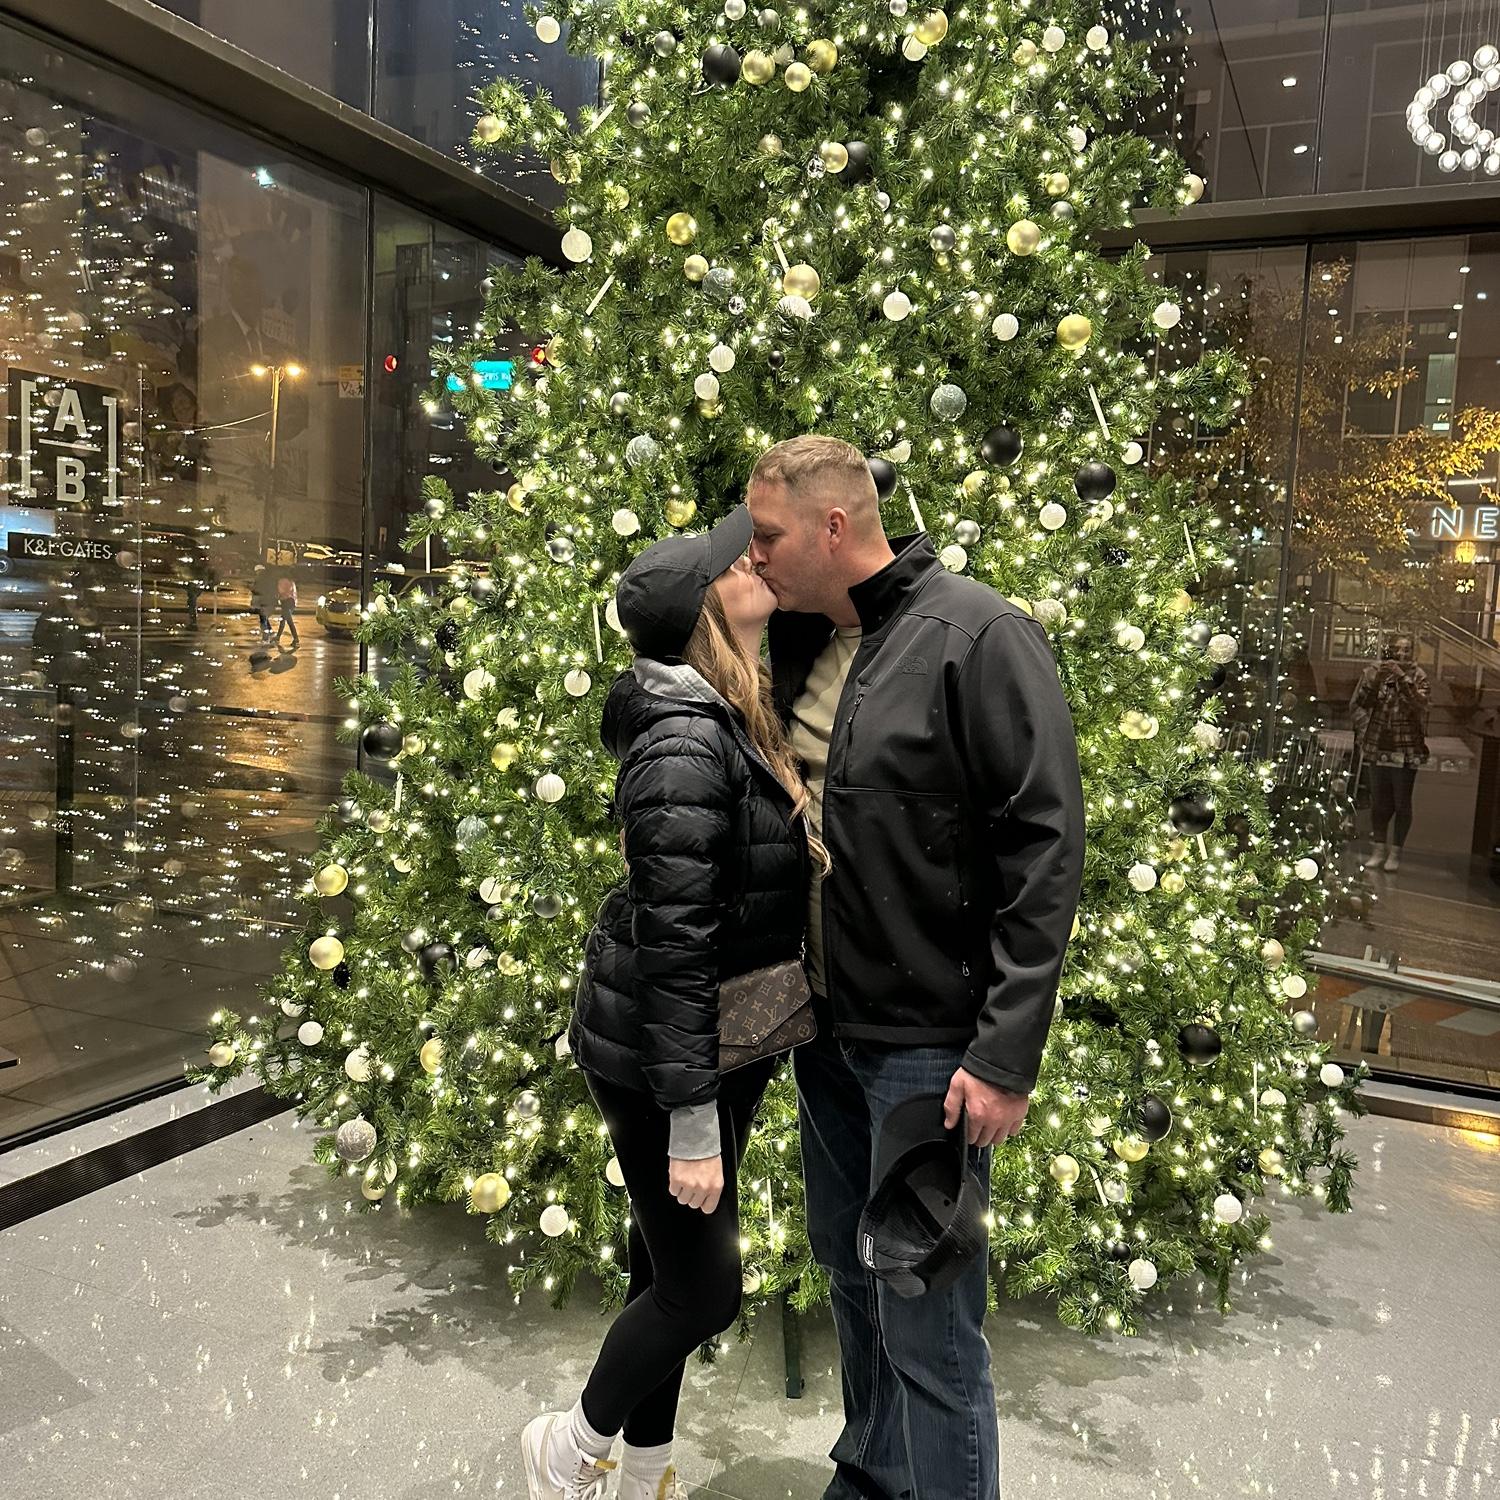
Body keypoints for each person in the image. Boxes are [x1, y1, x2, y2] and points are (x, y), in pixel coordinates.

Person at [747, 435, 1086, 1500]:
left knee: (930, 1322)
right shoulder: (805, 639)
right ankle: (873, 1474)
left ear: (833, 527)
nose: (755, 555)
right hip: (827, 1033)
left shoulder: (976, 637)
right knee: (851, 1277)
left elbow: (1046, 849)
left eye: (769, 535)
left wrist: (1005, 1055)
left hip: (930, 1054)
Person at [525, 504, 825, 1500]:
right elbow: (676, 945)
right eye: (741, 563)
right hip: (666, 1055)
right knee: (703, 1292)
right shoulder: (685, 741)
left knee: (663, 1270)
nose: (760, 565)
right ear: (705, 609)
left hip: (718, 1039)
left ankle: (644, 1470)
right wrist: (691, 1119)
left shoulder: (731, 706)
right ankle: (567, 1448)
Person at [1350, 632, 1429, 875]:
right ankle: (1378, 849)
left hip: (1405, 747)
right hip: (1379, 744)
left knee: (1401, 802)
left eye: (1406, 649)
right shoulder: (1376, 671)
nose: (1401, 654)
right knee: (1379, 801)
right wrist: (1376, 679)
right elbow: (1362, 702)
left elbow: (1420, 704)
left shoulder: (1418, 675)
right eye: (1397, 649)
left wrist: (1402, 678)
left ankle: (1396, 852)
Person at [248, 565, 274, 643]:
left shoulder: (259, 579)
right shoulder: (268, 578)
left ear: (258, 571)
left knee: (263, 620)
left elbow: (256, 590)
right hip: (268, 601)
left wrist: (251, 588)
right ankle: (270, 632)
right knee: (264, 617)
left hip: (262, 601)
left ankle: (265, 638)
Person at [274, 571, 300, 648]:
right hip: (292, 602)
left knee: (289, 621)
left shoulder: (281, 581)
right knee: (283, 620)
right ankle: (278, 637)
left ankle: (296, 639)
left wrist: (277, 597)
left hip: (286, 602)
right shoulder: (291, 582)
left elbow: (281, 592)